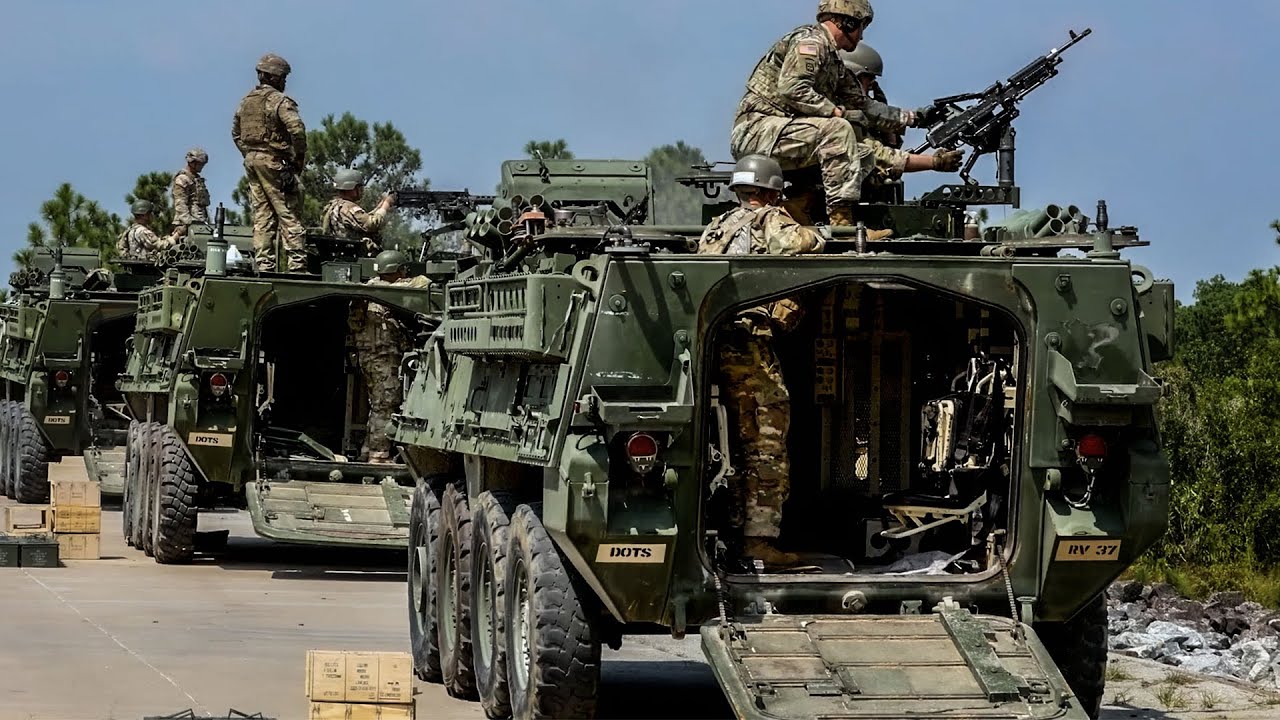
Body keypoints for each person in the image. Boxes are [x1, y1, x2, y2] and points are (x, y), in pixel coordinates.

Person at [698, 155, 824, 569]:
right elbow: (799, 244)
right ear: (771, 192)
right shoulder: (768, 220)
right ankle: (759, 543)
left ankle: (733, 533)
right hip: (748, 347)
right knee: (766, 442)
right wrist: (823, 232)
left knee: (730, 444)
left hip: (713, 345)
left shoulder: (717, 228)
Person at [730, 0, 937, 226]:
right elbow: (792, 88)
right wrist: (836, 112)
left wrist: (913, 118)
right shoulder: (811, 43)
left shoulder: (833, 61)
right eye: (860, 28)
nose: (861, 38)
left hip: (782, 135)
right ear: (847, 23)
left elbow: (862, 105)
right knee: (838, 129)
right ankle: (842, 224)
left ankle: (801, 206)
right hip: (756, 132)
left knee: (863, 154)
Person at [348, 250, 428, 464]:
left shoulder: (368, 290)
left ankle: (368, 449)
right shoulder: (386, 290)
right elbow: (422, 284)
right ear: (395, 270)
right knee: (386, 405)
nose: (404, 274)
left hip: (370, 357)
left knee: (377, 405)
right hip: (383, 358)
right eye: (401, 270)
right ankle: (379, 456)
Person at [841, 44, 963, 182]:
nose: (872, 83)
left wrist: (911, 120)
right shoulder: (841, 117)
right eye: (868, 78)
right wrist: (934, 162)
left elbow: (878, 116)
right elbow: (877, 155)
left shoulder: (857, 113)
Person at [232, 53, 307, 273]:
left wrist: (250, 153)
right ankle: (297, 265)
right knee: (289, 212)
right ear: (273, 77)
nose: (284, 82)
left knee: (262, 214)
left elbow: (236, 133)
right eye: (282, 77)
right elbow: (297, 130)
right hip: (275, 162)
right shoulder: (279, 101)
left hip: (252, 162)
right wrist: (297, 159)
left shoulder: (246, 102)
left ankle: (264, 264)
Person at [322, 169, 396, 257]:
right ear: (351, 187)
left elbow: (360, 221)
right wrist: (386, 205)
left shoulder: (334, 205)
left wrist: (379, 207)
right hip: (357, 255)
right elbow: (371, 224)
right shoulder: (348, 207)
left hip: (343, 253)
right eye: (359, 187)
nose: (361, 190)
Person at [169, 147, 211, 242]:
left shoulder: (196, 179)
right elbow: (180, 204)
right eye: (200, 164)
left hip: (199, 222)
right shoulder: (182, 179)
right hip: (187, 225)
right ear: (192, 163)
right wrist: (189, 224)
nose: (202, 166)